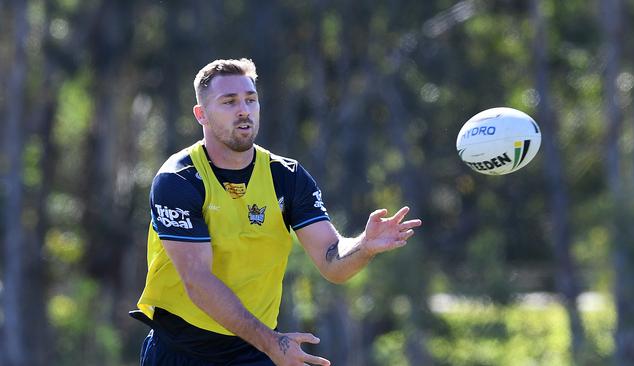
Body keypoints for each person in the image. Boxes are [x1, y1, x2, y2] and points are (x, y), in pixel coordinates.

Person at [131, 58, 422, 366]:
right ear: (201, 114)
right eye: (229, 102)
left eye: (250, 99)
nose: (244, 110)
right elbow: (197, 281)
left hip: (254, 350)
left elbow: (331, 261)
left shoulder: (287, 176)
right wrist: (272, 343)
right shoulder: (179, 179)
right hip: (183, 351)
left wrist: (364, 246)